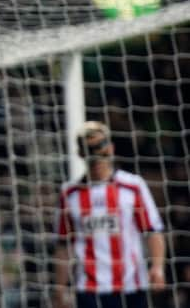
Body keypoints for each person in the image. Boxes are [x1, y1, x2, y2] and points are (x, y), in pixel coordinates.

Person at [54, 121, 165, 308]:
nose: (96, 156)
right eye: (90, 150)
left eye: (101, 148)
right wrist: (59, 286)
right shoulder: (69, 194)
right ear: (81, 154)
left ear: (111, 149)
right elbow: (63, 244)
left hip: (131, 285)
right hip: (89, 288)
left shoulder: (133, 186)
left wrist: (158, 267)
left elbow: (153, 230)